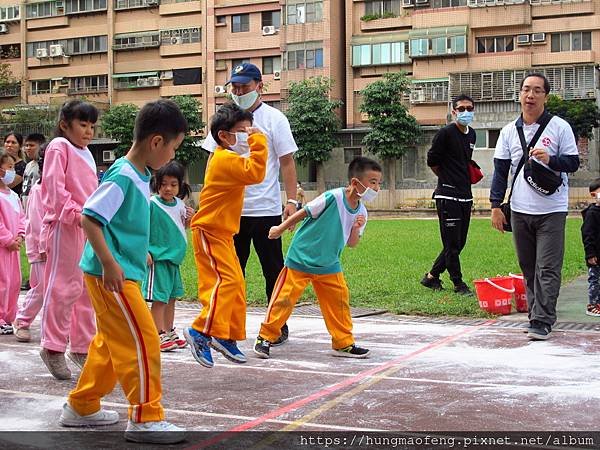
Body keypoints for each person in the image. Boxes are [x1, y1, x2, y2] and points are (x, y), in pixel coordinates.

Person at [60, 100, 187, 444]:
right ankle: (146, 416)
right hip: (111, 276)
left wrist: (137, 250)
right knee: (144, 340)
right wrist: (110, 263)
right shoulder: (123, 176)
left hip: (118, 271)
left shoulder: (139, 175)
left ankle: (83, 405)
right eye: (173, 147)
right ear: (157, 142)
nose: (171, 157)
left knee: (109, 344)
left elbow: (120, 223)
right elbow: (90, 217)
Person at [202, 62, 298, 345]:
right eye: (235, 86)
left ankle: (276, 326)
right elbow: (212, 159)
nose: (239, 91)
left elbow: (287, 161)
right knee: (231, 272)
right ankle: (226, 327)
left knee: (273, 270)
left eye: (244, 86)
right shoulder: (224, 119)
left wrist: (290, 200)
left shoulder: (274, 119)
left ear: (259, 86)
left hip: (266, 209)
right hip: (232, 213)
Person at [253, 156, 382, 360]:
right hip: (301, 258)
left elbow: (352, 243)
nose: (376, 188)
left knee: (339, 302)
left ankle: (343, 343)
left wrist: (356, 228)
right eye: (373, 182)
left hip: (329, 264)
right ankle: (265, 337)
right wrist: (280, 228)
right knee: (283, 300)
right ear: (355, 183)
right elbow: (304, 212)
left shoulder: (362, 212)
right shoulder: (333, 197)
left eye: (379, 183)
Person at [490, 72, 580, 341]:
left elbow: (573, 163)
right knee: (528, 267)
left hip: (552, 209)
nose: (531, 95)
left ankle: (542, 320)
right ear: (519, 94)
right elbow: (499, 171)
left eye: (537, 90)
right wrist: (496, 206)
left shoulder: (560, 127)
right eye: (526, 90)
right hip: (519, 210)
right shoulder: (508, 131)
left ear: (545, 96)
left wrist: (551, 159)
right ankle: (536, 315)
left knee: (548, 267)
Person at [184, 102, 267, 368]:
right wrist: (259, 141)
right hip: (209, 230)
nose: (248, 134)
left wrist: (253, 138)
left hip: (222, 233)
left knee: (236, 284)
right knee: (226, 282)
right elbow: (256, 172)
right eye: (243, 131)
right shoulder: (223, 159)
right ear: (224, 135)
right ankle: (201, 330)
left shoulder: (228, 158)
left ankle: (226, 334)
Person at [39, 100, 98, 380]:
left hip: (87, 226)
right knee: (63, 287)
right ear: (65, 125)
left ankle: (81, 346)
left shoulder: (86, 152)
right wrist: (74, 214)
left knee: (86, 289)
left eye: (91, 126)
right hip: (66, 226)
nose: (88, 131)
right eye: (82, 125)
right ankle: (52, 347)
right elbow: (54, 189)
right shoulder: (58, 147)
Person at [421, 94, 476, 296]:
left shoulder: (472, 135)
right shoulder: (445, 133)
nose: (465, 112)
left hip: (465, 195)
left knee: (459, 242)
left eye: (469, 108)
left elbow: (465, 163)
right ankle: (458, 284)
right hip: (447, 196)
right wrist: (446, 178)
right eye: (461, 109)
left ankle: (432, 276)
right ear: (454, 111)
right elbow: (432, 160)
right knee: (451, 244)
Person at [143, 161, 193, 352]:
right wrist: (145, 250)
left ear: (180, 185)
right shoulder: (152, 204)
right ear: (157, 184)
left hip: (174, 260)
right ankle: (157, 334)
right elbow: (143, 228)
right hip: (159, 259)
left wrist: (190, 219)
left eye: (173, 184)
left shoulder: (180, 205)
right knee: (160, 299)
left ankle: (168, 330)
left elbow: (183, 228)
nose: (168, 188)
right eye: (164, 184)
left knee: (171, 298)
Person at [14, 148, 46, 342]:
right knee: (42, 287)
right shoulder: (38, 190)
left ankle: (59, 328)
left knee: (62, 288)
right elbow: (35, 221)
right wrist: (43, 247)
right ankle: (22, 320)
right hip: (40, 248)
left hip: (59, 247)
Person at [0, 153, 25, 335]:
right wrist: (8, 240)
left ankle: (9, 316)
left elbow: (22, 218)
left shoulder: (14, 196)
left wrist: (20, 236)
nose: (12, 171)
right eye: (9, 167)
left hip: (13, 249)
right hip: (3, 248)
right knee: (2, 282)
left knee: (14, 282)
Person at [580, 178, 600, 318]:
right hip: (595, 255)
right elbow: (587, 234)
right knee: (595, 279)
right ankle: (593, 304)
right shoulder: (592, 213)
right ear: (594, 195)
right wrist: (590, 253)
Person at [21, 133, 46, 210]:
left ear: (41, 147)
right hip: (26, 208)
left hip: (38, 208)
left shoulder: (45, 165)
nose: (28, 148)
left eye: (31, 145)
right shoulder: (28, 165)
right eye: (26, 145)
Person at [3, 132, 26, 196]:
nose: (9, 145)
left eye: (13, 142)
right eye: (7, 142)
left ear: (20, 146)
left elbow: (8, 185)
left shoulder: (22, 166)